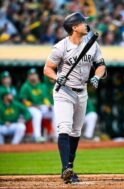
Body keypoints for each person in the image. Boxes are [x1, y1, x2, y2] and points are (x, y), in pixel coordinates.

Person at [43, 12, 107, 184]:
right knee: (64, 126)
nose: (86, 25)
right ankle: (66, 169)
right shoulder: (60, 47)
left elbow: (101, 65)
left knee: (76, 131)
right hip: (64, 91)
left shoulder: (92, 44)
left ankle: (69, 166)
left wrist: (97, 76)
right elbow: (48, 68)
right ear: (74, 27)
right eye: (83, 23)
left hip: (82, 92)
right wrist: (57, 77)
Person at [19, 68, 53, 142]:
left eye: (35, 74)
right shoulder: (26, 86)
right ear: (28, 77)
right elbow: (23, 101)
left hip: (40, 106)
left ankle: (56, 135)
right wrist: (34, 106)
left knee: (54, 110)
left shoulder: (40, 85)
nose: (33, 76)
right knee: (37, 114)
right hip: (29, 108)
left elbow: (44, 98)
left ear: (37, 76)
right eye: (31, 75)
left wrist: (48, 104)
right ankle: (37, 136)